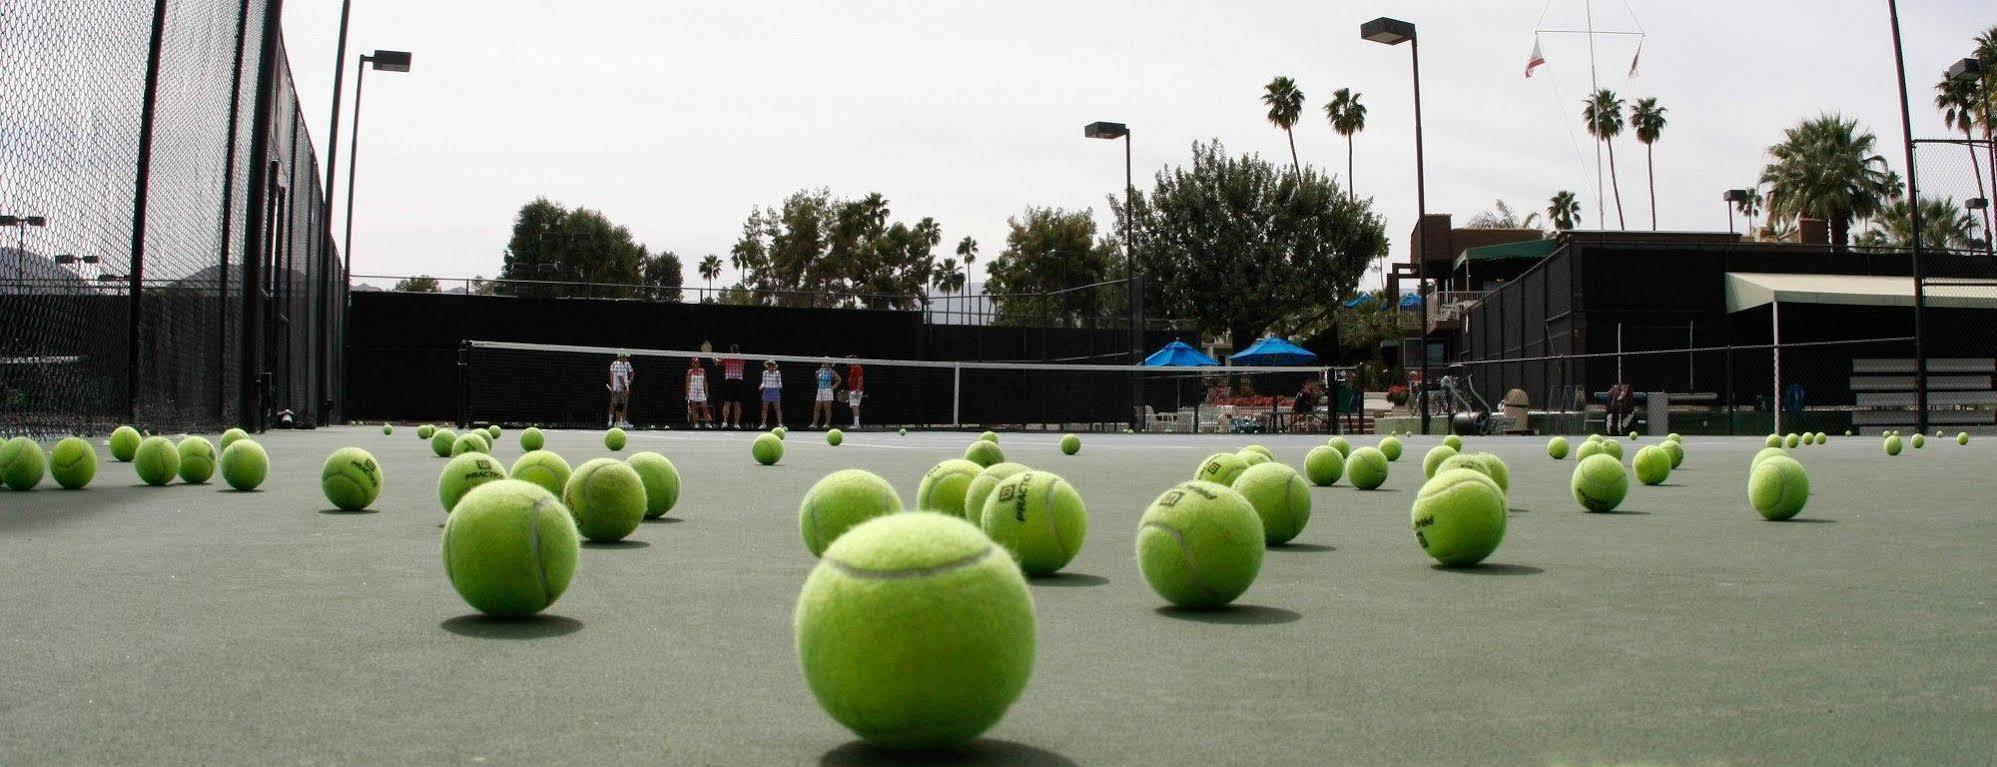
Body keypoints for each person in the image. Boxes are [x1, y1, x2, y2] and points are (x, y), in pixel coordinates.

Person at [718, 345, 746, 429]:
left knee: (728, 403)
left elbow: (718, 362)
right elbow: (720, 362)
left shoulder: (728, 357)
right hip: (738, 382)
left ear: (731, 350)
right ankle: (736, 424)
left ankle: (725, 422)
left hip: (730, 381)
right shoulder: (742, 357)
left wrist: (714, 357)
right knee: (736, 404)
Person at [809, 360, 843, 429]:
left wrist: (833, 387)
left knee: (827, 408)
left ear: (829, 364)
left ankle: (827, 424)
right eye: (823, 361)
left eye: (825, 362)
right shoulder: (820, 371)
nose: (824, 363)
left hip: (827, 390)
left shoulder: (831, 371)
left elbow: (839, 379)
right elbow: (818, 381)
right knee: (817, 408)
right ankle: (814, 424)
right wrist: (816, 376)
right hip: (820, 390)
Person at [607, 353, 634, 428]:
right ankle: (615, 422)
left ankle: (620, 422)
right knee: (617, 404)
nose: (626, 359)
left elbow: (630, 373)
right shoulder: (617, 365)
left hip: (622, 387)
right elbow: (618, 377)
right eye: (625, 357)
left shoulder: (624, 364)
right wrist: (623, 388)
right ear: (621, 357)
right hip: (619, 388)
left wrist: (629, 382)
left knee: (621, 405)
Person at [685, 357, 711, 429]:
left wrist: (707, 392)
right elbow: (687, 383)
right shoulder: (690, 372)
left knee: (705, 408)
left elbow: (705, 382)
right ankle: (696, 423)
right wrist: (687, 394)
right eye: (695, 362)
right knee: (694, 408)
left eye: (698, 362)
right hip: (693, 391)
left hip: (701, 391)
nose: (696, 363)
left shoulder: (703, 371)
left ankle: (707, 423)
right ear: (692, 363)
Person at [758, 359, 783, 429]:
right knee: (764, 409)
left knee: (778, 408)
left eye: (771, 365)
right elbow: (764, 382)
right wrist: (762, 386)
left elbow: (779, 381)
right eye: (769, 365)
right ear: (767, 366)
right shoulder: (765, 373)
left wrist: (779, 386)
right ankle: (763, 424)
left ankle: (780, 424)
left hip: (775, 391)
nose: (770, 367)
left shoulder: (778, 372)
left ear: (774, 366)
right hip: (767, 391)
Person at [844, 357, 866, 428]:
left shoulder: (858, 368)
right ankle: (856, 424)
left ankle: (857, 424)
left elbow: (860, 379)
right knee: (854, 406)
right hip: (852, 390)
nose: (847, 362)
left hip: (856, 390)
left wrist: (858, 389)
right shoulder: (852, 368)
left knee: (855, 406)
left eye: (848, 360)